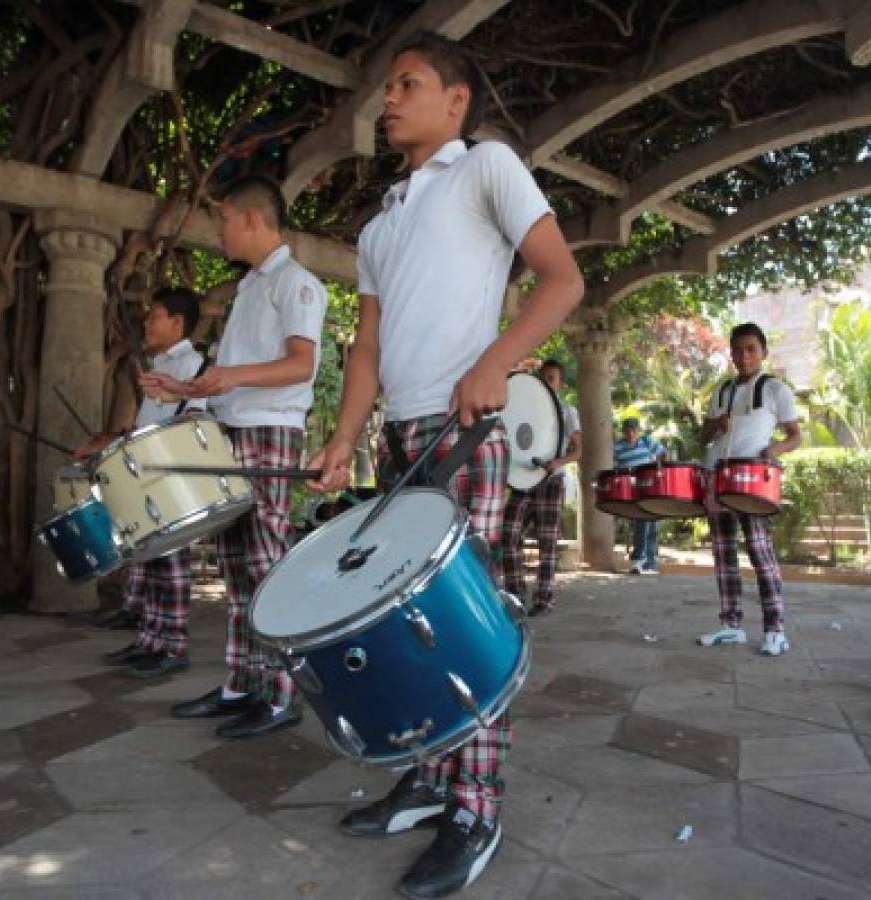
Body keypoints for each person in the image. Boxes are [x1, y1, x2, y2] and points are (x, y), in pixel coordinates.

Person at [307, 30, 583, 900]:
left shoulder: (487, 168)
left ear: (454, 100)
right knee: (401, 624)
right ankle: (429, 778)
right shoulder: (380, 222)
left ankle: (475, 804)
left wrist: (497, 362)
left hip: (467, 433)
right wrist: (346, 438)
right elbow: (367, 349)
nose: (387, 100)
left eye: (407, 84)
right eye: (387, 87)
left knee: (463, 624)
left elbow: (561, 278)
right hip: (399, 441)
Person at [141, 175, 327, 736]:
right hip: (234, 430)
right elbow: (237, 378)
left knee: (266, 564)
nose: (217, 228)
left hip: (270, 432)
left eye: (222, 217)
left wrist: (227, 378)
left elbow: (301, 365)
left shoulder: (296, 283)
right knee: (237, 566)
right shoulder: (250, 287)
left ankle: (283, 694)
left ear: (251, 218)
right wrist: (189, 391)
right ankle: (243, 683)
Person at [81, 288, 205, 677]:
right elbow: (149, 425)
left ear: (177, 323)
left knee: (171, 565)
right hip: (150, 476)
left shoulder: (192, 365)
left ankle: (174, 646)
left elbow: (193, 419)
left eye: (155, 316)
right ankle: (151, 640)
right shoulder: (160, 367)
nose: (146, 323)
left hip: (173, 478)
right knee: (151, 562)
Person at [697, 322, 801, 657]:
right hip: (717, 475)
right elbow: (704, 437)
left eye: (751, 349)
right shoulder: (722, 391)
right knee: (724, 555)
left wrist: (773, 451)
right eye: (738, 350)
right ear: (731, 353)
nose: (744, 356)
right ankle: (731, 625)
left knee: (760, 552)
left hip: (751, 477)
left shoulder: (775, 389)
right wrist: (715, 425)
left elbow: (795, 435)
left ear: (763, 352)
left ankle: (775, 630)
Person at [501, 358, 581, 615]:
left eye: (551, 378)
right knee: (509, 534)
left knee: (547, 542)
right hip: (522, 480)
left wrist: (556, 462)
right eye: (542, 377)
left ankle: (544, 598)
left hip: (550, 480)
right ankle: (515, 593)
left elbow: (578, 451)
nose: (545, 382)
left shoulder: (568, 412)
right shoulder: (525, 408)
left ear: (560, 384)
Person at [613, 416, 666, 575]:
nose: (631, 433)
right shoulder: (617, 447)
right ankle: (638, 560)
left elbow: (663, 453)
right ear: (623, 431)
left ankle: (649, 563)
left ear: (638, 431)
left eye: (634, 430)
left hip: (650, 485)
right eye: (628, 430)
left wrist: (659, 469)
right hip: (633, 489)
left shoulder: (647, 441)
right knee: (642, 520)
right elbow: (613, 468)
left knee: (652, 524)